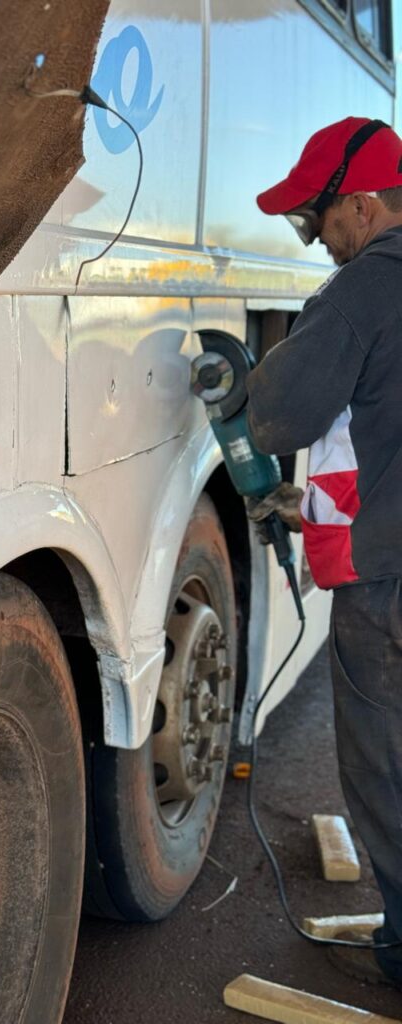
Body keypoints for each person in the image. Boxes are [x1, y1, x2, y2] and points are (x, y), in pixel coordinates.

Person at [245, 116, 402, 989]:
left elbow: (276, 418)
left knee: (387, 777)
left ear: (365, 204)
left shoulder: (365, 288)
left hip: (388, 586)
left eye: (318, 221)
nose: (318, 241)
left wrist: (247, 379)